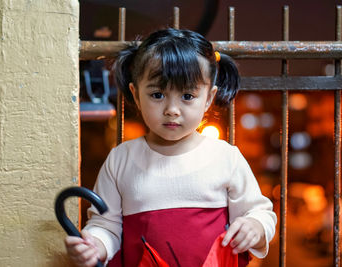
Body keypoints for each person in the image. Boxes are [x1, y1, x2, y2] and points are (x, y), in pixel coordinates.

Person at [65, 28, 277, 267]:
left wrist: (255, 227)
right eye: (157, 95)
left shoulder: (225, 157)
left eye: (187, 96)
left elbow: (260, 213)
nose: (172, 110)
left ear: (208, 98)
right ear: (135, 94)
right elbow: (106, 227)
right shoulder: (120, 160)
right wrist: (94, 245)